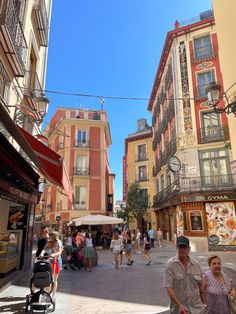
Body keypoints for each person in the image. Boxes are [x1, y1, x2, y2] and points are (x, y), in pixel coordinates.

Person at [163, 235, 206, 314]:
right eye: (180, 247)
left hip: (197, 309)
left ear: (189, 249)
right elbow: (169, 288)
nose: (182, 250)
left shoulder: (196, 264)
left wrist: (204, 305)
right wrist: (179, 305)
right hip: (179, 310)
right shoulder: (170, 264)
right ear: (176, 248)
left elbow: (201, 287)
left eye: (185, 247)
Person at [40, 231, 63, 297]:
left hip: (56, 261)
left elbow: (59, 252)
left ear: (54, 237)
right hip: (49, 261)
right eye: (49, 235)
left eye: (51, 235)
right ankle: (47, 293)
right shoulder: (50, 241)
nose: (49, 236)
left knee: (54, 279)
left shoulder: (58, 242)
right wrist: (41, 254)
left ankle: (53, 294)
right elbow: (45, 249)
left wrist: (54, 254)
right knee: (48, 277)